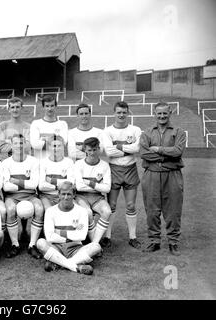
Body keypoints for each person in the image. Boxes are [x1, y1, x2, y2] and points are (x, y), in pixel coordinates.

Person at [139, 102, 186, 256]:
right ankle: (154, 241)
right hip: (151, 175)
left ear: (170, 113)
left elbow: (178, 151)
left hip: (172, 175)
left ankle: (173, 242)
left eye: (165, 113)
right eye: (159, 113)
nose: (162, 116)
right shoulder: (147, 132)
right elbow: (144, 153)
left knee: (173, 210)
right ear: (154, 113)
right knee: (152, 210)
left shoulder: (178, 132)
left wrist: (159, 150)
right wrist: (167, 155)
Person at [36, 181, 101, 275]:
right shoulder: (50, 211)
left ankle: (58, 263)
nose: (66, 197)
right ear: (58, 194)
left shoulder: (82, 211)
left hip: (76, 248)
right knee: (40, 243)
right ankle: (76, 266)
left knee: (96, 246)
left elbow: (81, 236)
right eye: (63, 194)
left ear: (74, 194)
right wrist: (71, 236)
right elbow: (50, 237)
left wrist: (58, 233)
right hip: (56, 247)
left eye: (69, 194)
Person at [102, 101, 142, 249]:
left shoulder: (136, 130)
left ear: (128, 113)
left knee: (131, 205)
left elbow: (137, 148)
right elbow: (108, 152)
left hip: (131, 169)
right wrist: (128, 149)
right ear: (114, 113)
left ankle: (132, 237)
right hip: (114, 169)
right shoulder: (107, 131)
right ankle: (107, 236)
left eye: (124, 112)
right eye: (118, 112)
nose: (121, 115)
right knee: (111, 205)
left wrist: (118, 146)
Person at [2, 134, 44, 259]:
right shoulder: (5, 163)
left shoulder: (33, 161)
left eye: (21, 143)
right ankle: (15, 244)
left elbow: (34, 184)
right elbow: (6, 187)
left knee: (40, 208)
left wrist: (14, 181)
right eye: (15, 143)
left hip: (30, 195)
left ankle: (32, 245)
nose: (19, 146)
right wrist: (26, 184)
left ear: (25, 144)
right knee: (10, 210)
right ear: (11, 144)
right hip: (12, 196)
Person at [74, 137, 112, 245]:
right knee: (88, 213)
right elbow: (79, 187)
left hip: (97, 197)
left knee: (107, 211)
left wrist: (90, 183)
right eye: (89, 150)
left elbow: (107, 188)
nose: (92, 153)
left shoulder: (105, 165)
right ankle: (92, 241)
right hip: (81, 196)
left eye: (95, 150)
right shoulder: (79, 164)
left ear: (99, 149)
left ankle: (95, 243)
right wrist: (98, 185)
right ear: (85, 150)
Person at [38, 135, 75, 211]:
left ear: (63, 147)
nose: (57, 148)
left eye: (59, 146)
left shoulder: (69, 162)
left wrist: (51, 181)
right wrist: (60, 186)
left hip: (65, 196)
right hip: (46, 196)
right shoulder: (43, 162)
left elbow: (71, 183)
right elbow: (41, 186)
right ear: (49, 147)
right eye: (54, 146)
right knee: (49, 210)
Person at [30, 95, 68, 159]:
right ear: (43, 107)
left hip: (57, 162)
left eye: (52, 106)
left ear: (55, 106)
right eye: (47, 106)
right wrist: (55, 143)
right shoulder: (36, 123)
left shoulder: (63, 124)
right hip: (41, 162)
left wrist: (44, 140)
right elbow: (34, 144)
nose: (49, 109)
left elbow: (63, 143)